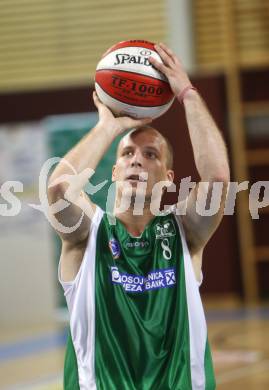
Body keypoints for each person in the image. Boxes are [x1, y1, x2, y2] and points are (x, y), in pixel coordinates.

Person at [48, 43, 230, 390]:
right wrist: (107, 126)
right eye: (128, 153)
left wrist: (189, 95)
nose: (136, 161)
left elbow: (218, 181)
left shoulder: (186, 232)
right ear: (115, 171)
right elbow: (59, 190)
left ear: (168, 176)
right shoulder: (88, 233)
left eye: (150, 154)